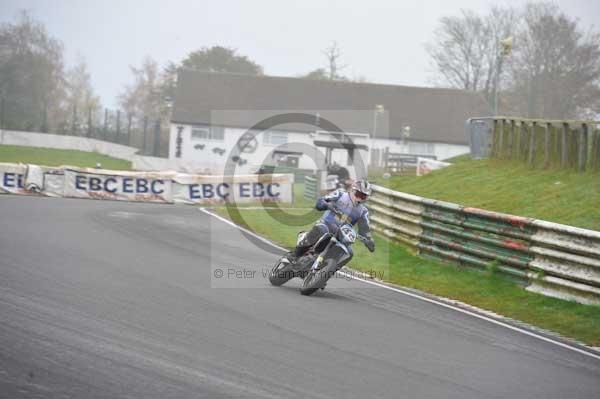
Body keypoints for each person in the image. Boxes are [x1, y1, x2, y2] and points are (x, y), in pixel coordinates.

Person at [290, 179, 375, 265]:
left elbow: (365, 230)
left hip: (341, 235)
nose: (360, 198)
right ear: (353, 190)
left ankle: (329, 270)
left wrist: (369, 240)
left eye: (363, 196)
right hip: (326, 223)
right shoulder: (340, 194)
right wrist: (326, 205)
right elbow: (321, 201)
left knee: (349, 253)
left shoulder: (363, 211)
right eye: (359, 194)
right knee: (321, 229)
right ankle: (294, 255)